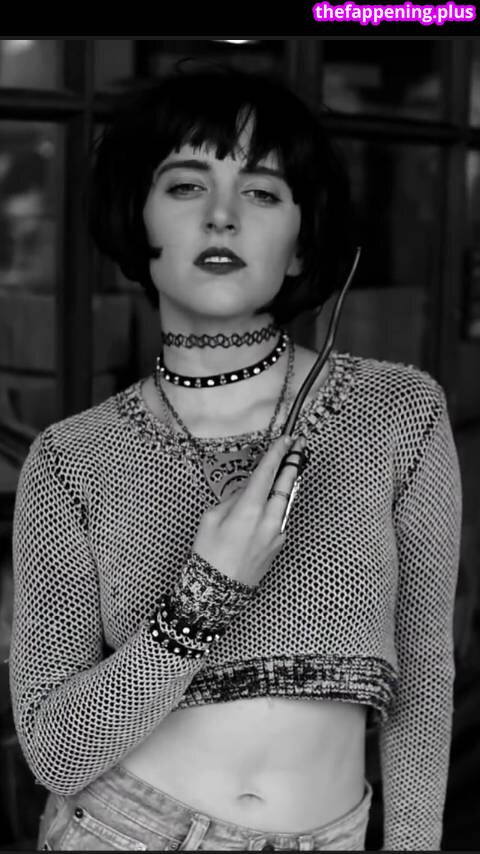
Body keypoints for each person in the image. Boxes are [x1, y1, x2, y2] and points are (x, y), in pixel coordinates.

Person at [9, 65, 462, 852]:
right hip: (119, 832)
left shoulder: (399, 412)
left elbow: (424, 674)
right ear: (137, 222)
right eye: (187, 186)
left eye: (261, 191)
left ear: (301, 242)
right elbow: (55, 751)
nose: (222, 216)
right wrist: (203, 597)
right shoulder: (71, 459)